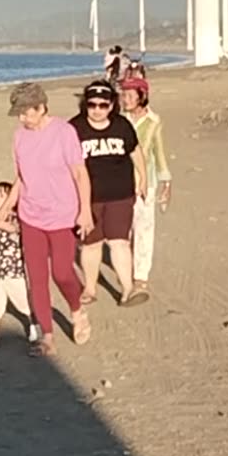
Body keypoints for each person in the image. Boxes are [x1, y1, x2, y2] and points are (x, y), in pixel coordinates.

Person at [0, 82, 93, 357]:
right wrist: (8, 204)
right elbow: (22, 176)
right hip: (31, 215)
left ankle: (77, 310)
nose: (22, 119)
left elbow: (80, 174)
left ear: (41, 108)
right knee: (37, 279)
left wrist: (85, 210)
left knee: (62, 272)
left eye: (26, 113)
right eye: (19, 113)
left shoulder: (64, 132)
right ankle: (47, 336)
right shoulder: (19, 137)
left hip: (63, 214)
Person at [69, 80, 147, 306]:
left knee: (119, 242)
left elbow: (135, 151)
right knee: (91, 244)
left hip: (120, 195)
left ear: (112, 105)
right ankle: (90, 288)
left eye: (103, 105)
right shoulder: (75, 128)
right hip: (88, 199)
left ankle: (128, 290)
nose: (97, 110)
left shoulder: (121, 125)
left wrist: (143, 177)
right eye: (92, 105)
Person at [120, 77, 171, 303]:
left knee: (143, 230)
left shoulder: (153, 121)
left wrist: (166, 183)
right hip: (118, 184)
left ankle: (140, 276)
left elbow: (158, 153)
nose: (125, 98)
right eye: (123, 94)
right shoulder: (118, 120)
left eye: (130, 95)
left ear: (142, 96)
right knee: (122, 232)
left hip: (144, 183)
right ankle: (124, 269)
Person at [0, 181, 41, 350]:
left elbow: (15, 229)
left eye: (3, 195)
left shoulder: (17, 219)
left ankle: (33, 325)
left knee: (24, 302)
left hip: (14, 271)